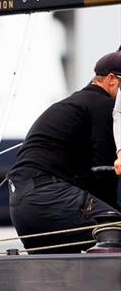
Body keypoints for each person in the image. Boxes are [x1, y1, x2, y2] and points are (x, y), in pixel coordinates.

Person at [8, 50, 121, 254]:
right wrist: (113, 213)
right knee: (114, 228)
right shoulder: (104, 106)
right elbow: (103, 174)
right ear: (111, 80)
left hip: (22, 206)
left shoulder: (77, 103)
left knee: (57, 274)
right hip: (47, 196)